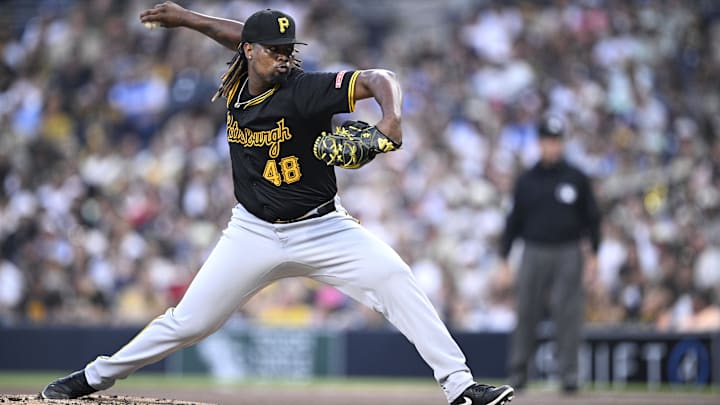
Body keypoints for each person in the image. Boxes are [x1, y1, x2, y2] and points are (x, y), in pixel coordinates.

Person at [41, 3, 514, 405]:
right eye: (275, 51)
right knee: (187, 322)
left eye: (290, 51)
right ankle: (93, 378)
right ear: (249, 51)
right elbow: (229, 32)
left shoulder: (303, 89)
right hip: (252, 232)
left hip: (323, 228)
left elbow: (379, 76)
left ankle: (460, 387)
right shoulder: (237, 78)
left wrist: (391, 118)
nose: (285, 59)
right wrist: (186, 18)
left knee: (395, 279)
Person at [500, 115, 601, 393]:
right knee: (526, 312)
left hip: (568, 250)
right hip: (533, 249)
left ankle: (569, 375)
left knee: (568, 314)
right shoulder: (527, 180)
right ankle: (518, 374)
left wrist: (594, 254)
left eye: (556, 141)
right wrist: (505, 258)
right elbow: (514, 221)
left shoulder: (576, 177)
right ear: (539, 143)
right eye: (547, 141)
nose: (551, 147)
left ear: (561, 144)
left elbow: (592, 218)